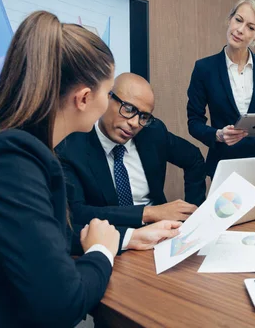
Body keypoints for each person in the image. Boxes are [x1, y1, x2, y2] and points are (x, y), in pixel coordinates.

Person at [0, 11, 180, 328]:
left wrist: (128, 238)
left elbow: (43, 240)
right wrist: (102, 251)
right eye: (108, 92)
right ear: (85, 98)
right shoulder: (7, 160)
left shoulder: (12, 151)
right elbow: (63, 302)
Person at [57, 73, 206, 250]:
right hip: (115, 243)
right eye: (128, 109)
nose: (135, 123)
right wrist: (148, 213)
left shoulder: (152, 132)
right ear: (107, 99)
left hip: (163, 239)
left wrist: (192, 216)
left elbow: (194, 158)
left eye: (144, 116)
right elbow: (77, 212)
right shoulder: (72, 147)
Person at [187, 0, 255, 177]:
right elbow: (194, 122)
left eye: (250, 27)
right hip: (224, 166)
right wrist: (218, 135)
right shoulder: (204, 68)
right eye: (238, 20)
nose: (240, 29)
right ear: (230, 19)